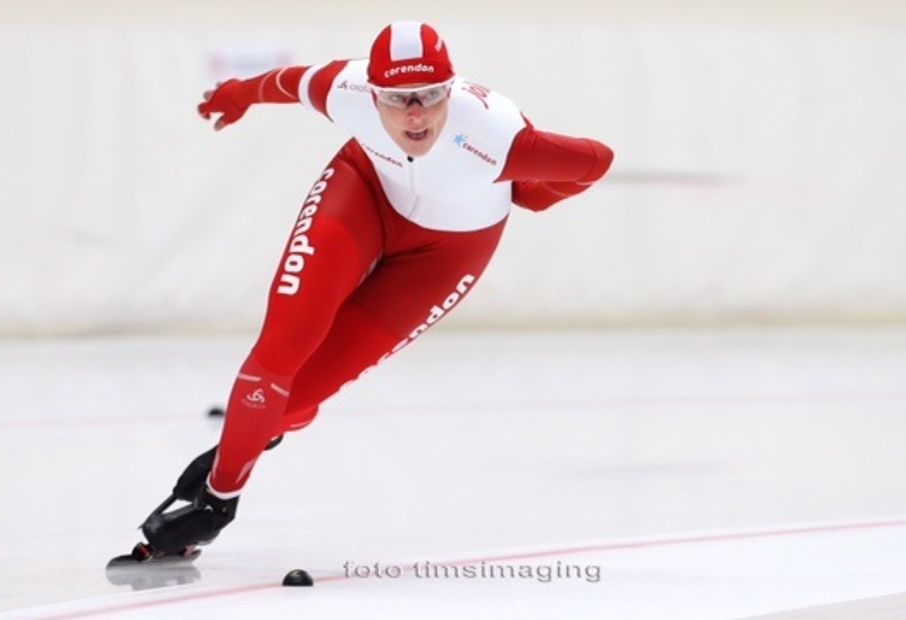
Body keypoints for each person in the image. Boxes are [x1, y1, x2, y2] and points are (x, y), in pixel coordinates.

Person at [130, 21, 614, 559]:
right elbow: (287, 83)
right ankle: (218, 503)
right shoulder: (347, 88)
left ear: (450, 89)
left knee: (296, 400)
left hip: (446, 253)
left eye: (430, 96)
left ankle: (246, 442)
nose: (415, 115)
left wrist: (534, 193)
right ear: (372, 92)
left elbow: (596, 159)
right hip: (363, 192)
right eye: (397, 99)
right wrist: (238, 94)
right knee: (280, 349)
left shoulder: (497, 139)